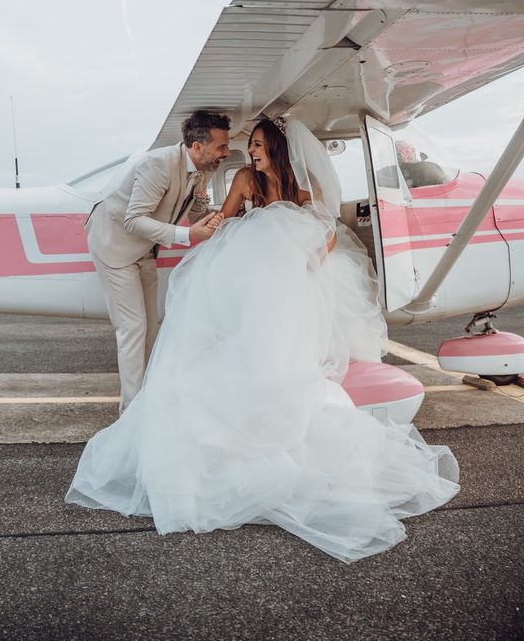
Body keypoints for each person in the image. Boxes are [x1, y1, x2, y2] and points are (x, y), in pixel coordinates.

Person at [67, 117, 459, 563]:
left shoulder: (302, 194)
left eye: (255, 144)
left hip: (286, 280)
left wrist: (312, 259)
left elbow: (326, 229)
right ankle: (144, 411)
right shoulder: (240, 179)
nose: (245, 151)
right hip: (191, 263)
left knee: (274, 349)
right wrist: (205, 233)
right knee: (140, 331)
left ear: (276, 147)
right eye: (238, 144)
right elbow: (221, 219)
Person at [85, 109, 231, 412]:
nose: (226, 153)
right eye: (221, 146)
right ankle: (131, 413)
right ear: (197, 147)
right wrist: (189, 234)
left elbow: (189, 213)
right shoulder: (158, 164)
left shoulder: (202, 169)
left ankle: (148, 399)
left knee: (151, 327)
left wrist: (206, 212)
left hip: (145, 249)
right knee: (133, 329)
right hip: (115, 246)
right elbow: (133, 219)